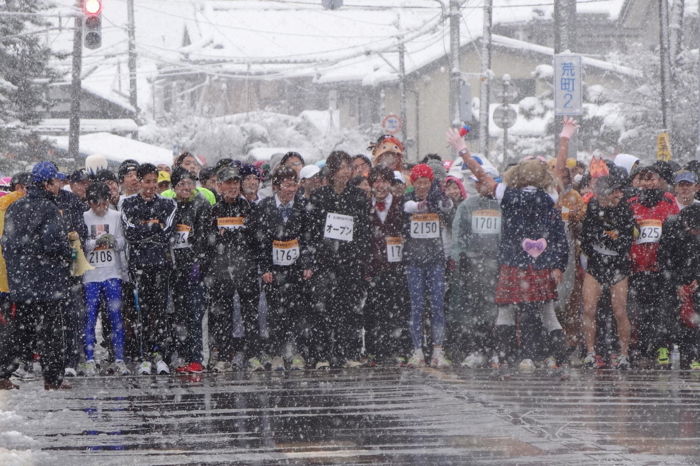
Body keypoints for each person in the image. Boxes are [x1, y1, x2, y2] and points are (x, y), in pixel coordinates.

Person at [447, 128, 569, 371]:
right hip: (541, 263)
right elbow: (559, 169)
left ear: (517, 176)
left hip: (513, 262)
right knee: (545, 313)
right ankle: (551, 357)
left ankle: (503, 357)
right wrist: (564, 137)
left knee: (505, 310)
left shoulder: (507, 194)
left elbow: (479, 174)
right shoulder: (550, 196)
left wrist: (462, 149)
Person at [2, 162, 73, 390]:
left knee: (18, 332)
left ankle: (3, 373)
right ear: (46, 183)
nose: (59, 186)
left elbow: (7, 243)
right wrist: (69, 252)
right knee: (52, 334)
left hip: (22, 281)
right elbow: (52, 243)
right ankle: (53, 379)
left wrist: (18, 271)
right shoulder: (49, 208)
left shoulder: (15, 206)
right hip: (46, 282)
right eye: (56, 182)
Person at [308, 151, 371, 368]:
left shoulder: (358, 197)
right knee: (323, 309)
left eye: (349, 167)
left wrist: (357, 255)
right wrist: (318, 256)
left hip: (349, 261)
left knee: (349, 308)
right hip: (325, 262)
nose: (347, 172)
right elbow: (313, 232)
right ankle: (323, 354)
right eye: (343, 167)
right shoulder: (319, 197)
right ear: (333, 171)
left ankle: (348, 353)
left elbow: (364, 230)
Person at [253, 166, 314, 371]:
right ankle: (277, 353)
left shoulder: (305, 206)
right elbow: (260, 241)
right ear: (277, 186)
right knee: (275, 313)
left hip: (296, 268)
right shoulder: (264, 207)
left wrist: (307, 263)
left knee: (298, 311)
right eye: (287, 185)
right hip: (274, 269)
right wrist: (264, 268)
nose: (291, 189)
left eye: (294, 184)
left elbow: (308, 238)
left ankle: (297, 353)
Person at [121, 163, 177, 375]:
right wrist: (154, 227)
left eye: (154, 182)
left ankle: (159, 354)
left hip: (161, 265)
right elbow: (130, 233)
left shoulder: (168, 204)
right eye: (147, 182)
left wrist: (147, 230)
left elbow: (167, 232)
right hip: (139, 266)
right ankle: (144, 356)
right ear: (139, 182)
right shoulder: (128, 204)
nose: (151, 186)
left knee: (161, 312)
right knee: (142, 312)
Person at [207, 166, 262, 371]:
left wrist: (231, 237)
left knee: (250, 314)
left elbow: (256, 238)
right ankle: (223, 354)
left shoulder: (248, 208)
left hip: (245, 269)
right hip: (221, 270)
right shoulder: (213, 210)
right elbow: (208, 241)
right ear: (219, 185)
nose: (232, 187)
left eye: (235, 183)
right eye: (228, 183)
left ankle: (253, 354)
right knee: (222, 315)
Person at [448, 162, 502, 368]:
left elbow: (507, 235)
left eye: (484, 181)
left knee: (496, 309)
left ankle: (495, 350)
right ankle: (476, 349)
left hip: (496, 265)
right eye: (477, 182)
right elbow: (458, 232)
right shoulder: (467, 206)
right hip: (472, 265)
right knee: (473, 309)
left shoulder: (502, 205)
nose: (482, 186)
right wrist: (460, 256)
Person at [579, 176, 636, 370]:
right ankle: (590, 353)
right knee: (589, 309)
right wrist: (597, 245)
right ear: (603, 193)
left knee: (619, 310)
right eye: (614, 191)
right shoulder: (592, 208)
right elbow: (585, 238)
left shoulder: (625, 210)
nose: (618, 195)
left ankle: (623, 355)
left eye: (620, 191)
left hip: (618, 266)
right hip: (596, 265)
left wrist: (607, 237)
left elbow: (625, 241)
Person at [626, 164, 680, 367]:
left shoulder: (668, 200)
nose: (648, 183)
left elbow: (674, 233)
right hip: (637, 266)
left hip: (661, 267)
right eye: (644, 178)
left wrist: (669, 261)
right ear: (638, 181)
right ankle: (640, 347)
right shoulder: (630, 202)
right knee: (638, 311)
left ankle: (661, 346)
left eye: (652, 178)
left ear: (659, 180)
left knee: (662, 310)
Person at [402, 164, 453, 368]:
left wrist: (440, 199)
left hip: (435, 260)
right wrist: (424, 205)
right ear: (413, 183)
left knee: (437, 305)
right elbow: (408, 208)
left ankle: (438, 350)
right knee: (416, 305)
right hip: (414, 260)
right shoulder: (407, 199)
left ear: (431, 182)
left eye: (426, 182)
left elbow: (448, 207)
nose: (422, 186)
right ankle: (417, 351)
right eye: (418, 182)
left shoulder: (438, 198)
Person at [364, 166, 410, 365]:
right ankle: (376, 351)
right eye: (376, 181)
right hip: (373, 267)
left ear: (391, 184)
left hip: (397, 266)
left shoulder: (402, 205)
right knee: (374, 309)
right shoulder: (364, 206)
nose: (380, 186)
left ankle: (397, 349)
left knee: (397, 307)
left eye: (384, 181)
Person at [81, 182, 129, 376]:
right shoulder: (84, 217)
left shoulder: (116, 216)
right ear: (91, 203)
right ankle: (89, 358)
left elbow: (123, 242)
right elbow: (81, 244)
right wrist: (95, 242)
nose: (102, 208)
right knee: (90, 317)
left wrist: (114, 242)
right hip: (91, 274)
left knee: (116, 317)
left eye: (105, 203)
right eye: (98, 204)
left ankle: (119, 357)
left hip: (111, 273)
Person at [169, 168, 212, 374]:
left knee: (196, 313)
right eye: (181, 185)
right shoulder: (170, 206)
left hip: (194, 266)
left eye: (189, 184)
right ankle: (184, 356)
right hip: (175, 266)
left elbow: (204, 237)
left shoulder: (201, 204)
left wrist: (199, 261)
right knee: (180, 314)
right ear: (174, 187)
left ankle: (197, 358)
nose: (186, 188)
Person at [658, 204, 700, 369]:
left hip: (694, 273)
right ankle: (663, 348)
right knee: (666, 313)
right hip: (672, 273)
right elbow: (664, 258)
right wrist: (676, 284)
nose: (695, 233)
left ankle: (693, 353)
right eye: (693, 229)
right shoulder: (671, 225)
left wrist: (697, 278)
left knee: (695, 316)